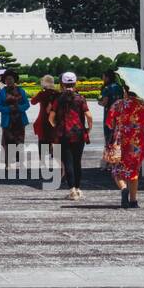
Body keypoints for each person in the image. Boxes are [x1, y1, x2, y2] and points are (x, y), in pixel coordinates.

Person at [106, 79, 144, 208]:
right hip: (136, 143)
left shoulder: (118, 104)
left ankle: (123, 189)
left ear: (126, 91)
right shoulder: (141, 105)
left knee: (117, 170)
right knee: (134, 170)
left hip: (120, 141)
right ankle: (133, 201)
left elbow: (109, 123)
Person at [48, 71, 92, 199]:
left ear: (61, 84)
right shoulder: (80, 98)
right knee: (77, 162)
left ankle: (72, 190)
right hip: (79, 133)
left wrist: (56, 126)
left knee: (67, 162)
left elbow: (51, 118)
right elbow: (89, 116)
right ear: (75, 83)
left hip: (63, 134)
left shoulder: (58, 99)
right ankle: (78, 189)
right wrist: (88, 128)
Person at [0, 69, 30, 167]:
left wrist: (19, 108)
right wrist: (8, 109)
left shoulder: (21, 91)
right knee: (7, 142)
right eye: (7, 79)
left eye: (11, 79)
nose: (9, 81)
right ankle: (7, 164)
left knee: (20, 142)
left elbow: (27, 104)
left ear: (14, 80)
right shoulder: (2, 92)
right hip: (7, 121)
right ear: (4, 81)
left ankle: (20, 163)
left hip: (19, 120)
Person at [30, 74, 61, 180]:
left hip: (43, 119)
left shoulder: (42, 93)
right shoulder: (57, 93)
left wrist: (39, 92)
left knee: (42, 140)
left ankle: (43, 164)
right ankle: (58, 163)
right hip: (55, 120)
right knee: (55, 140)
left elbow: (33, 102)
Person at [98, 69, 125, 168]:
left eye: (104, 76)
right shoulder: (119, 87)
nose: (103, 78)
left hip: (109, 115)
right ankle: (118, 160)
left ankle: (109, 162)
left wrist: (99, 102)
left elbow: (105, 102)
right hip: (119, 115)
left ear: (108, 77)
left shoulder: (107, 88)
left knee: (109, 138)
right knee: (117, 137)